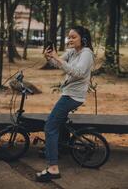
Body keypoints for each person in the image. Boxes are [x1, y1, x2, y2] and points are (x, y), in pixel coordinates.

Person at [36, 25, 94, 182]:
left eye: (73, 37)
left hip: (73, 97)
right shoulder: (73, 52)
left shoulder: (86, 54)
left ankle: (53, 168)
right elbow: (59, 64)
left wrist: (57, 57)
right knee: (57, 124)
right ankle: (59, 148)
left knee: (50, 126)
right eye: (69, 37)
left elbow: (78, 72)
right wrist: (50, 57)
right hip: (68, 94)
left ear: (83, 38)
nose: (70, 40)